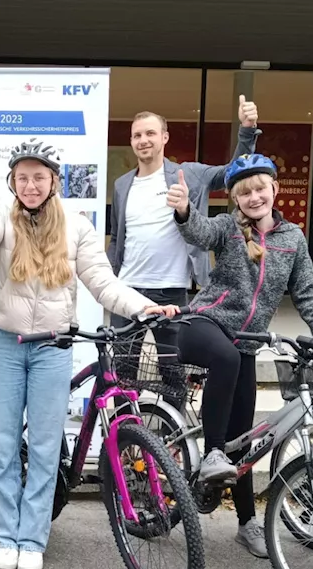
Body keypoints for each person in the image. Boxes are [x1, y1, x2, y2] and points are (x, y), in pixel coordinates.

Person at [0, 138, 180, 569]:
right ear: (13, 181)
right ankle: (7, 534)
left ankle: (32, 537)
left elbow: (101, 279)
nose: (30, 185)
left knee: (44, 448)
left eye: (38, 177)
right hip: (5, 345)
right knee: (4, 444)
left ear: (54, 182)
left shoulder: (76, 227)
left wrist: (142, 305)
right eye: (22, 177)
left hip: (53, 347)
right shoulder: (4, 218)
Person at [171, 153, 313, 558]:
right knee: (228, 365)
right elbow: (198, 231)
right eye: (244, 192)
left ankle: (247, 522)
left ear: (274, 190)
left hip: (247, 341)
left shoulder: (292, 239)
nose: (253, 197)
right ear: (234, 198)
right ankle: (212, 452)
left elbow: (307, 291)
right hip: (203, 325)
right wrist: (183, 210)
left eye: (259, 189)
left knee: (246, 443)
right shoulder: (228, 228)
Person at [108, 100, 259, 405]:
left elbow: (232, 172)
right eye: (137, 135)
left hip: (171, 294)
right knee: (123, 378)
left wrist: (247, 131)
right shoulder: (122, 184)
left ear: (165, 137)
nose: (143, 140)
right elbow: (117, 238)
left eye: (150, 133)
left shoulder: (188, 174)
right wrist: (110, 279)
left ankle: (173, 445)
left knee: (173, 377)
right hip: (127, 293)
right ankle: (125, 444)